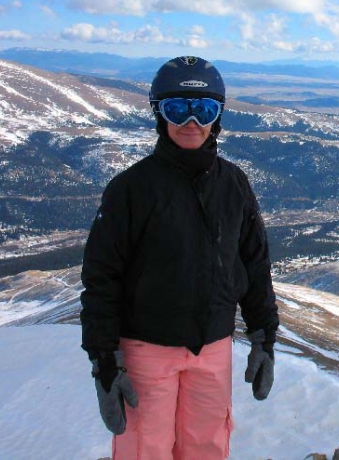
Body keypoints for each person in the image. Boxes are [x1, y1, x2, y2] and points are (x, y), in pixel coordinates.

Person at [80, 56, 279, 459]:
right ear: (159, 113)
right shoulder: (130, 189)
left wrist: (264, 335)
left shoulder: (234, 183)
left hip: (213, 347)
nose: (192, 121)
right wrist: (105, 361)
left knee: (206, 446)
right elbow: (102, 278)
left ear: (217, 117)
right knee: (145, 449)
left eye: (203, 109)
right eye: (178, 108)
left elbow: (253, 265)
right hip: (144, 352)